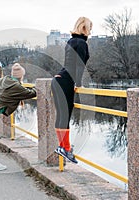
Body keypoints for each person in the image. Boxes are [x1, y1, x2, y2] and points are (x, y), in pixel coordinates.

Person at [51, 17, 92, 164]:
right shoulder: (82, 43)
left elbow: (69, 63)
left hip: (57, 80)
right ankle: (66, 148)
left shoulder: (70, 41)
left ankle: (63, 147)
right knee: (66, 115)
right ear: (85, 28)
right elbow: (79, 65)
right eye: (90, 28)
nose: (91, 32)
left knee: (61, 115)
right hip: (66, 81)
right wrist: (78, 83)